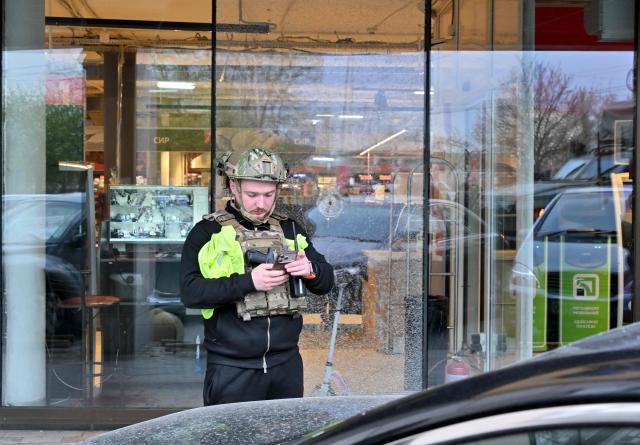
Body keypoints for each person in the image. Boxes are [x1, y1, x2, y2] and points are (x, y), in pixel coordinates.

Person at [180, 146, 334, 405]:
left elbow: (326, 281)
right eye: (252, 194)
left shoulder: (290, 227)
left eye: (268, 194)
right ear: (234, 187)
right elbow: (191, 292)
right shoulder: (206, 231)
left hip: (286, 365)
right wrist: (249, 282)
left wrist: (310, 270)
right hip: (232, 368)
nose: (261, 204)